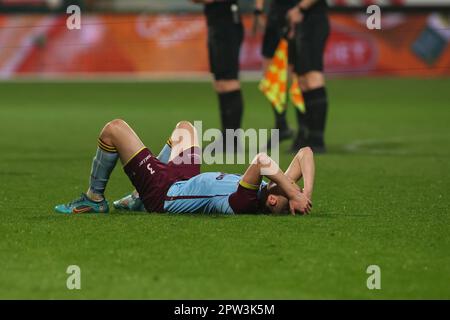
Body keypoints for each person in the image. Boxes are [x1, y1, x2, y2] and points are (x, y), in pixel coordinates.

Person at [55, 119, 314, 215]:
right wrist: (305, 194)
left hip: (164, 193)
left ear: (271, 199)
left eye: (290, 186)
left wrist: (293, 194)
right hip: (184, 178)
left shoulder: (246, 201)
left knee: (113, 130)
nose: (292, 182)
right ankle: (136, 198)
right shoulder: (274, 190)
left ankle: (94, 198)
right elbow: (305, 153)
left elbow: (261, 161)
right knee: (185, 128)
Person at [254, 0, 330, 153]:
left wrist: (300, 8)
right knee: (300, 79)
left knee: (311, 77)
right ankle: (304, 134)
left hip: (309, 16)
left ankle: (315, 138)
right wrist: (260, 9)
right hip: (290, 17)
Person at [192, 0, 245, 150]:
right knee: (220, 83)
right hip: (214, 24)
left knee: (229, 81)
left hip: (227, 25)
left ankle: (233, 140)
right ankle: (226, 138)